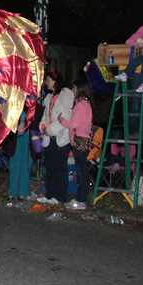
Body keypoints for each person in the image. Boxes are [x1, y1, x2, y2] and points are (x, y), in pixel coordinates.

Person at [37, 70, 74, 206]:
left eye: (48, 80)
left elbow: (65, 117)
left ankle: (60, 196)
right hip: (49, 138)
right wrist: (43, 126)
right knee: (50, 167)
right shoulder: (49, 97)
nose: (46, 83)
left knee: (60, 168)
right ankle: (50, 194)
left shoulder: (66, 95)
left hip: (60, 137)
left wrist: (51, 130)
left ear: (55, 81)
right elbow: (45, 115)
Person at [59, 75, 93, 210]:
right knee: (81, 170)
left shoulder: (82, 104)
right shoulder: (83, 103)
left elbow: (74, 123)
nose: (73, 90)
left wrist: (62, 120)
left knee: (82, 171)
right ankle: (80, 198)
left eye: (74, 87)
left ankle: (81, 200)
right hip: (80, 139)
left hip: (81, 140)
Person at [114, 17, 143, 92]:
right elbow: (129, 42)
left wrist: (142, 43)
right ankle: (127, 73)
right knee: (137, 60)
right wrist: (138, 44)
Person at [7, 109, 33, 201]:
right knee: (15, 164)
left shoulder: (32, 103)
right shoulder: (15, 102)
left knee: (25, 165)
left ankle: (23, 192)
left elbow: (36, 117)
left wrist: (26, 123)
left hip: (28, 137)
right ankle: (12, 191)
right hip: (16, 137)